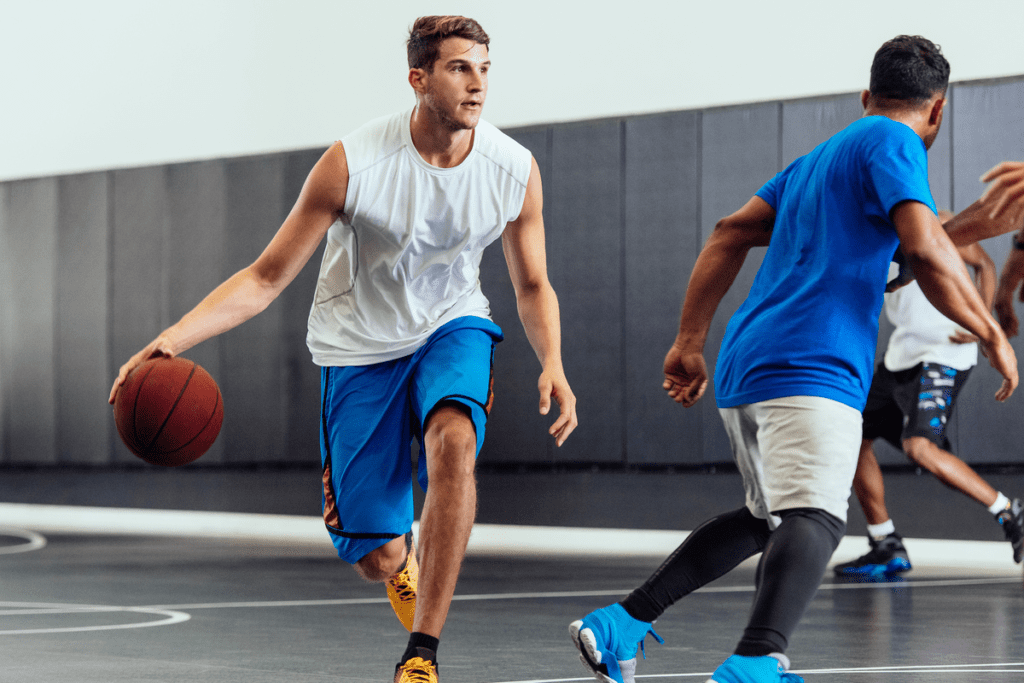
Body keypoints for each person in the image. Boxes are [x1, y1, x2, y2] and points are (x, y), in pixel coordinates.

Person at [108, 15, 577, 683]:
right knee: (377, 559)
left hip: (452, 323)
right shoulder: (354, 164)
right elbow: (266, 277)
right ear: (418, 79)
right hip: (358, 347)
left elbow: (533, 284)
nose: (476, 84)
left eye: (483, 68)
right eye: (458, 68)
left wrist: (553, 361)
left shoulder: (511, 169)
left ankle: (421, 654)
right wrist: (171, 339)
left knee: (455, 443)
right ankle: (401, 559)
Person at [568, 36, 1017, 683]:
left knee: (767, 516)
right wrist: (990, 330)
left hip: (747, 363)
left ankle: (622, 623)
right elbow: (920, 249)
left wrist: (689, 341)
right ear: (938, 111)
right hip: (813, 366)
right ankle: (756, 661)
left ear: (867, 96)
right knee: (816, 515)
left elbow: (733, 232)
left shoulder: (818, 163)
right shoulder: (897, 143)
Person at [834, 229, 1024, 577]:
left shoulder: (934, 220)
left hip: (944, 351)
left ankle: (1009, 510)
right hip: (902, 354)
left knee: (920, 449)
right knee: (852, 436)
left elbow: (983, 263)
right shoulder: (864, 231)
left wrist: (981, 320)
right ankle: (885, 543)